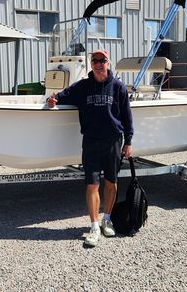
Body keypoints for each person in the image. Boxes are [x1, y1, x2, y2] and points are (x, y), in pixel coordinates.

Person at [47, 49, 133, 247]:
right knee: (92, 185)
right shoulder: (83, 87)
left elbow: (127, 117)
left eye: (102, 60)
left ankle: (107, 219)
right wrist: (53, 100)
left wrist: (128, 141)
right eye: (95, 61)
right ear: (91, 64)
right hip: (91, 142)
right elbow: (61, 96)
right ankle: (94, 226)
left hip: (113, 141)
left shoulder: (118, 87)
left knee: (111, 182)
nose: (98, 64)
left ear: (108, 63)